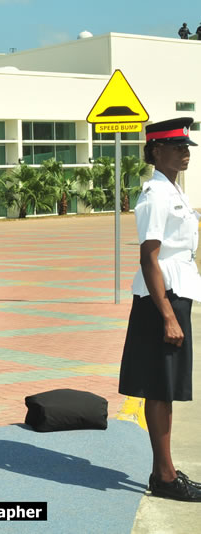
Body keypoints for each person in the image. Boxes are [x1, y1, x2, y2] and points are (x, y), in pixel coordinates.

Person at [119, 117, 201, 502]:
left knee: (165, 388)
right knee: (158, 388)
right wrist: (167, 313)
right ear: (156, 151)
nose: (185, 153)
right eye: (176, 147)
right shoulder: (155, 194)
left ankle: (162, 471)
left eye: (186, 147)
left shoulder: (173, 191)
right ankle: (165, 477)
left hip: (173, 295)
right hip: (160, 299)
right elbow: (148, 257)